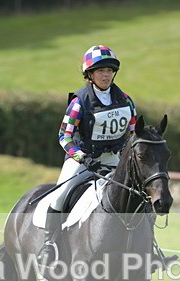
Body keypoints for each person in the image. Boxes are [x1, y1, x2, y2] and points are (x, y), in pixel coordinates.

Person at [37, 45, 137, 266]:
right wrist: (82, 157)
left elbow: (133, 133)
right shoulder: (79, 102)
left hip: (113, 160)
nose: (106, 74)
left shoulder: (126, 101)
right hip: (83, 161)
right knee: (60, 195)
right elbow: (64, 136)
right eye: (100, 70)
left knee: (137, 195)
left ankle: (149, 249)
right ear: (90, 74)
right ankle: (48, 245)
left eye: (110, 70)